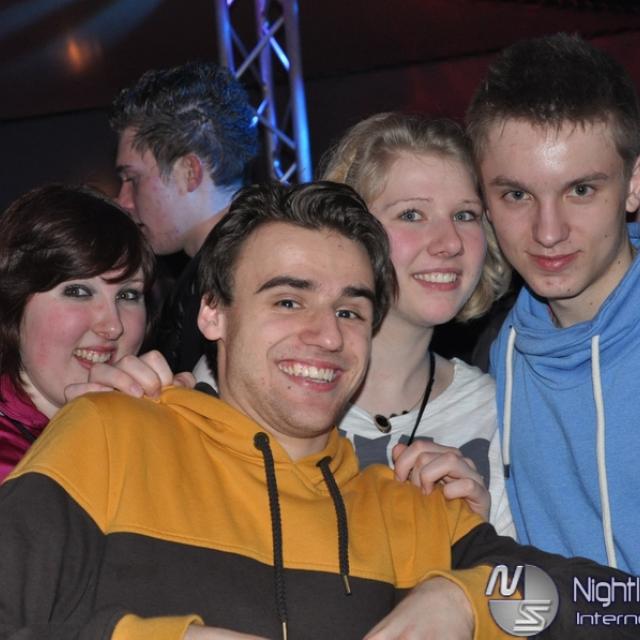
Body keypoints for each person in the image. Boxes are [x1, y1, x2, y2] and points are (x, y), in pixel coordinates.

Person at [1, 181, 637, 640]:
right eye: (288, 301)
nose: (328, 335)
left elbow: (615, 605)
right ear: (213, 312)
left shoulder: (412, 505)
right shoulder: (112, 433)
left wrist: (467, 602)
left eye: (350, 310)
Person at [466, 33, 640, 574]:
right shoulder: (497, 356)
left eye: (580, 190)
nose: (548, 232)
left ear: (634, 185)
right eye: (517, 195)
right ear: (485, 200)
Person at [320, 113, 514, 535]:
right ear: (347, 228)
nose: (450, 242)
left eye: (465, 215)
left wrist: (477, 539)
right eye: (411, 214)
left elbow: (523, 579)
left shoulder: (496, 412)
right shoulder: (271, 385)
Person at [0, 184, 156, 482]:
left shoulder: (138, 427)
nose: (113, 326)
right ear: (13, 304)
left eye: (128, 295)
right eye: (78, 291)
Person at [110, 61, 259, 371]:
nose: (122, 201)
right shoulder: (233, 266)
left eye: (132, 179)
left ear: (189, 172)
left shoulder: (230, 283)